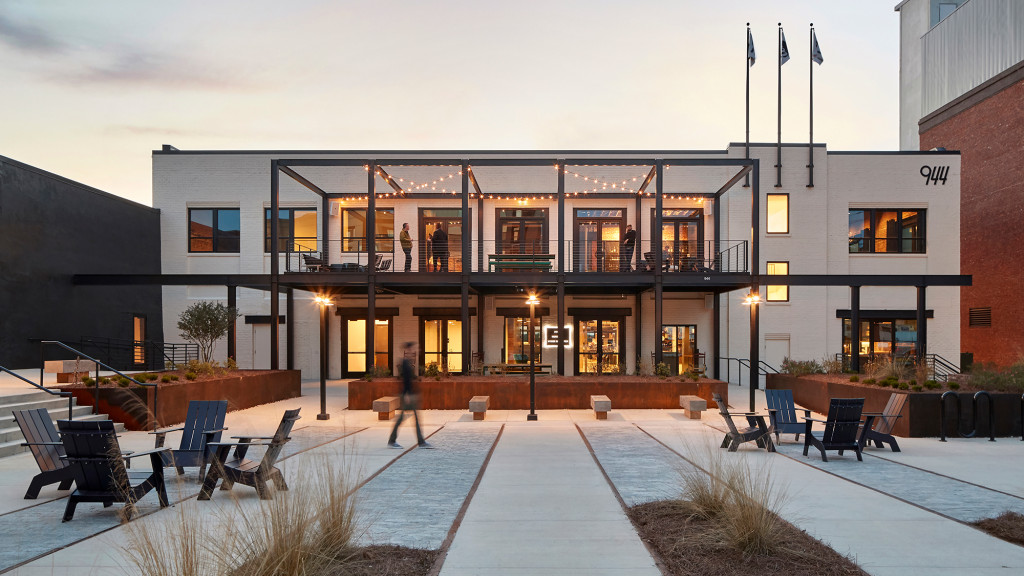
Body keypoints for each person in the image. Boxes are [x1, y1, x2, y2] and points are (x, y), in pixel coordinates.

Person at [388, 342, 432, 449]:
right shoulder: (404, 363)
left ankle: (420, 441)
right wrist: (406, 395)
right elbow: (405, 381)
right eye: (411, 349)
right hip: (407, 395)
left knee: (412, 418)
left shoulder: (408, 363)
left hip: (409, 394)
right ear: (407, 350)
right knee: (404, 418)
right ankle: (393, 440)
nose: (413, 351)